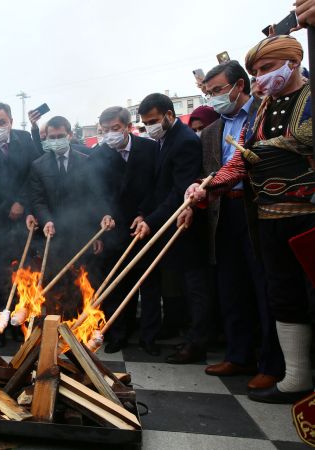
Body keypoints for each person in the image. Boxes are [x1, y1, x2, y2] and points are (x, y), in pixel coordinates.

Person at [187, 35, 315, 403]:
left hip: (310, 217)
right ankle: (295, 379)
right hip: (268, 217)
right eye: (257, 70)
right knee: (282, 295)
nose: (262, 76)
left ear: (293, 62)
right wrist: (207, 186)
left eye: (268, 68)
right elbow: (241, 159)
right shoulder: (262, 110)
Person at [198, 60, 284, 391]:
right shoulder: (210, 132)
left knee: (266, 287)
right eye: (209, 93)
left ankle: (273, 363)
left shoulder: (268, 112)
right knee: (231, 287)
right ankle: (238, 354)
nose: (214, 98)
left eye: (218, 90)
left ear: (239, 86)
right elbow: (210, 172)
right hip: (224, 215)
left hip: (260, 213)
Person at [135, 93, 211, 364]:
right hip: (167, 221)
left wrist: (151, 220)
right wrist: (143, 213)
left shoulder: (185, 141)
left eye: (154, 120)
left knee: (194, 286)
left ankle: (197, 342)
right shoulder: (162, 140)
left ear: (169, 114)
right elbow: (157, 186)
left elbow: (179, 190)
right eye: (145, 124)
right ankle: (180, 328)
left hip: (185, 225)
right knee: (178, 284)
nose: (150, 127)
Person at [29, 116, 113, 319]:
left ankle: (80, 328)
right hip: (54, 235)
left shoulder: (86, 161)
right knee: (56, 285)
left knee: (82, 283)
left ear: (69, 135)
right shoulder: (38, 166)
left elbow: (95, 198)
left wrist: (96, 234)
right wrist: (46, 219)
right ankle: (55, 329)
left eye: (60, 136)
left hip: (81, 235)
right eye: (51, 136)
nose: (56, 140)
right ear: (46, 138)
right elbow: (38, 200)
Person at [93, 106, 161, 354]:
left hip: (146, 222)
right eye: (105, 130)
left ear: (128, 127)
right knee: (116, 282)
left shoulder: (150, 148)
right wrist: (104, 213)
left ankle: (149, 337)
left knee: (148, 282)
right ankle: (118, 333)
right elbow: (96, 190)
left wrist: (145, 213)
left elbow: (158, 184)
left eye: (115, 129)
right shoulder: (99, 154)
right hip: (115, 226)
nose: (110, 134)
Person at [0, 102, 42, 346]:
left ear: (11, 121)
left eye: (1, 122)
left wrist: (22, 203)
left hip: (24, 220)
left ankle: (20, 323)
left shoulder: (25, 141)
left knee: (23, 272)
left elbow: (36, 174)